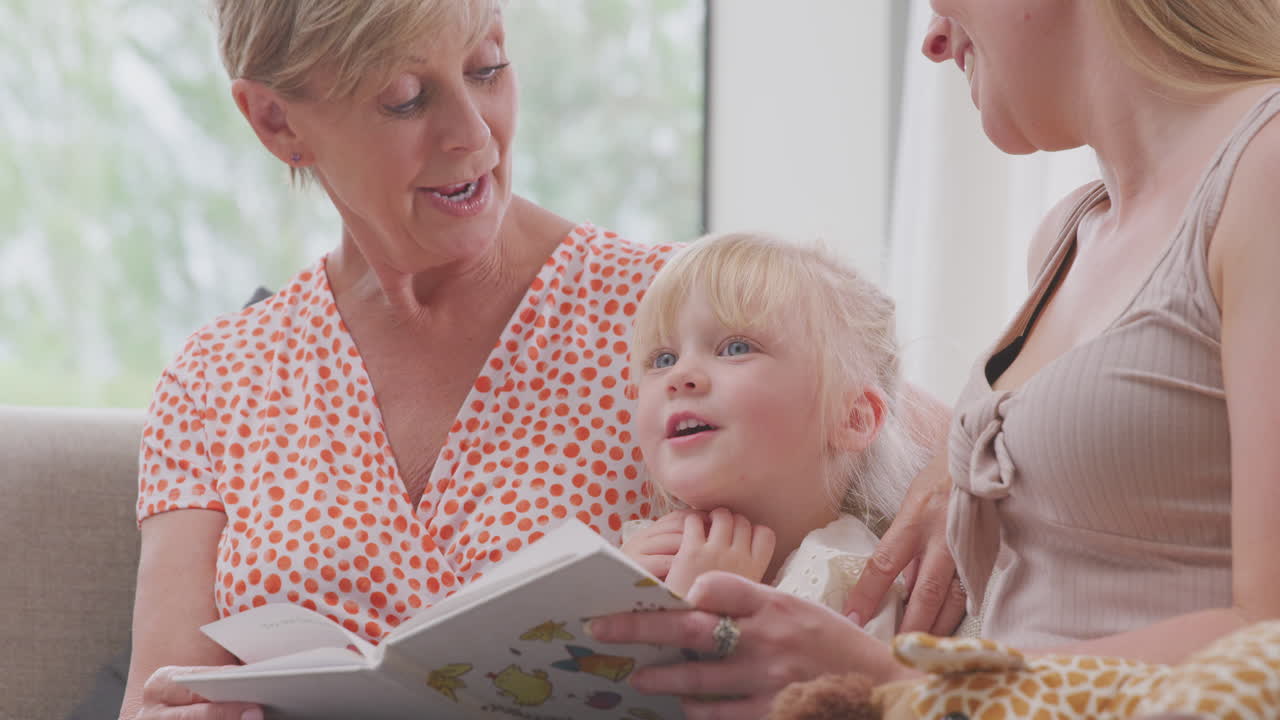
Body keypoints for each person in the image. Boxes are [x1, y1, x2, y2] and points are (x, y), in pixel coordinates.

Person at [586, 2, 1280, 717]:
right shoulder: (1068, 235)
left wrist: (902, 682)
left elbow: (1270, 633)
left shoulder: (1266, 167)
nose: (934, 38)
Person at [119, 2, 690, 718]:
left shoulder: (680, 317)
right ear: (275, 121)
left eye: (487, 68)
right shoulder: (213, 381)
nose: (475, 134)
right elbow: (158, 700)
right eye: (405, 98)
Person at [618, 233, 926, 641]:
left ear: (852, 418)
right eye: (663, 359)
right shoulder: (636, 556)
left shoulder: (857, 583)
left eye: (735, 348)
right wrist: (612, 593)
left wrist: (702, 614)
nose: (679, 376)